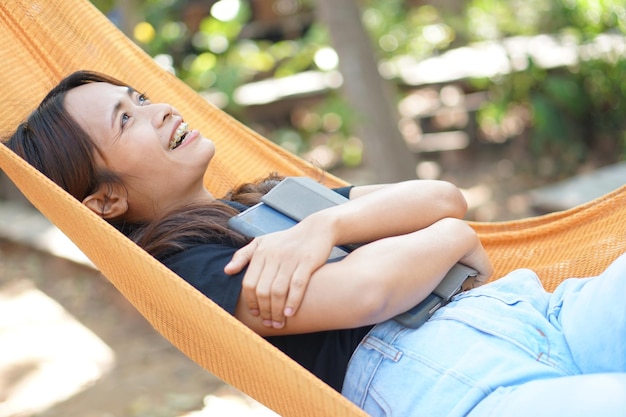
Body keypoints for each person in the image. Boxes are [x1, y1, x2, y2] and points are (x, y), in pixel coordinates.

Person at [4, 70, 625, 417]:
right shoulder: (186, 267)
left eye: (139, 97)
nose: (159, 109)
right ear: (106, 201)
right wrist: (448, 240)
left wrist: (325, 227)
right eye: (126, 119)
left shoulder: (273, 197)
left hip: (540, 313)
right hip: (462, 387)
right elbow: (366, 292)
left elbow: (441, 200)